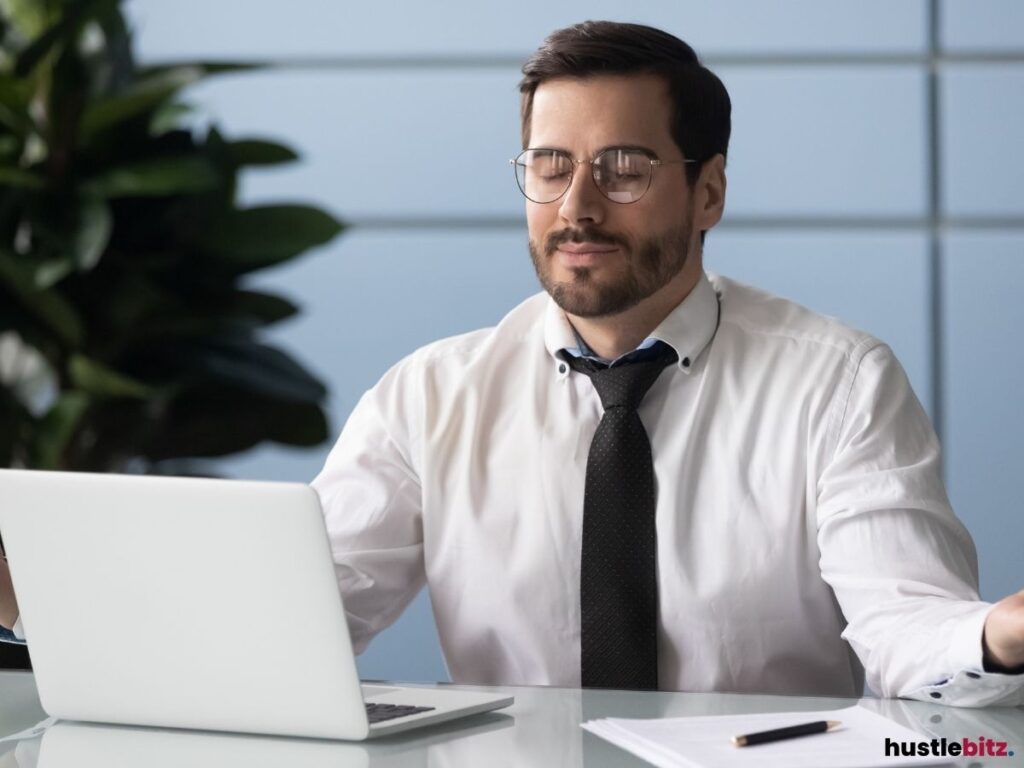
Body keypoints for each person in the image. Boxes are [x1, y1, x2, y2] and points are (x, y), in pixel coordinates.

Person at [2, 21, 1023, 705]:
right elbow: (290, 626)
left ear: (707, 190)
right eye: (549, 166)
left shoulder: (837, 383)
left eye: (623, 169)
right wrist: (36, 596)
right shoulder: (429, 398)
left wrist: (998, 637)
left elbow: (905, 632)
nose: (577, 208)